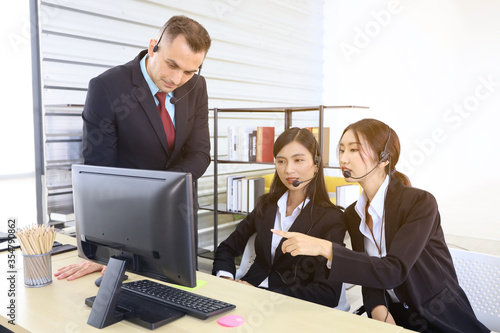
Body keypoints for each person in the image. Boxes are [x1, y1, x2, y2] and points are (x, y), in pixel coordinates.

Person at [273, 119, 489, 332]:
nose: (343, 158)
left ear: (384, 158)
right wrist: (379, 311)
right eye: (341, 150)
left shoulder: (420, 203)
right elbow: (367, 273)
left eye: (354, 149)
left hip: (441, 318)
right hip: (394, 318)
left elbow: (393, 271)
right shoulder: (353, 214)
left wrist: (324, 248)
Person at [55, 15, 211, 281]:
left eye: (188, 71)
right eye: (171, 64)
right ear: (153, 47)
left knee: (184, 296)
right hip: (124, 226)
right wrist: (104, 249)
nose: (177, 78)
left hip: (178, 217)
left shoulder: (196, 86)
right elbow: (99, 173)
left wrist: (164, 192)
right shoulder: (107, 88)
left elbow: (200, 154)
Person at [212, 128, 347, 308]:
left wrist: (263, 295)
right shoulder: (266, 205)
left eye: (298, 160)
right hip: (246, 296)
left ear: (315, 165)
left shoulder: (332, 219)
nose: (288, 170)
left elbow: (327, 294)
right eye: (281, 161)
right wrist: (226, 279)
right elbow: (227, 248)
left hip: (289, 308)